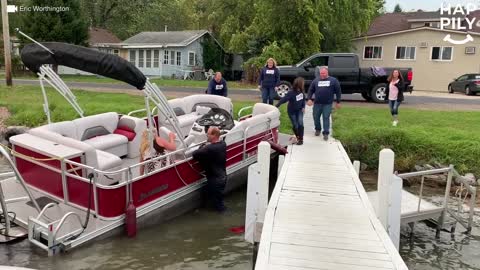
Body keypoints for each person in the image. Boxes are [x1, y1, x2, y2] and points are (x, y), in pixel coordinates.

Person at [192, 126, 227, 213]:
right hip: (222, 177)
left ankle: (224, 218)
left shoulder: (209, 148)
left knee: (219, 205)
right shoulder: (223, 144)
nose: (206, 136)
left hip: (215, 180)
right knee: (206, 192)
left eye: (208, 134)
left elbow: (195, 154)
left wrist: (202, 147)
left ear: (214, 135)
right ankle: (203, 208)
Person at [307, 66, 341, 141]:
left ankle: (326, 133)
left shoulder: (333, 80)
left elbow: (338, 91)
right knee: (316, 117)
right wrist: (309, 99)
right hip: (317, 103)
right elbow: (311, 90)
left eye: (324, 73)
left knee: (326, 117)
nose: (322, 75)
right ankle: (318, 129)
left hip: (327, 104)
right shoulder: (316, 80)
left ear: (327, 73)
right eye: (321, 73)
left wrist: (338, 102)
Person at [276, 77, 306, 145]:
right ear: (299, 84)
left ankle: (301, 139)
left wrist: (303, 107)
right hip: (292, 111)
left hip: (299, 110)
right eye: (302, 83)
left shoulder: (302, 91)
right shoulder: (291, 93)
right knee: (295, 125)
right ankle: (298, 137)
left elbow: (303, 99)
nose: (303, 84)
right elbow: (283, 100)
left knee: (300, 123)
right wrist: (276, 106)